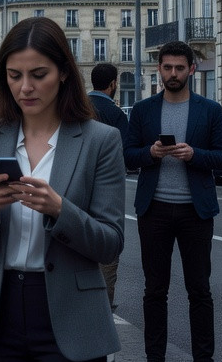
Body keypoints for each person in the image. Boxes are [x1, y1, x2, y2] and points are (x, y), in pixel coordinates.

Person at [0, 17, 124, 362]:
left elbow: (110, 244)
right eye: (14, 76)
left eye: (38, 74)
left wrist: (61, 210)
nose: (25, 87)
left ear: (63, 72)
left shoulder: (100, 140)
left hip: (71, 317)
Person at [124, 40, 222, 362]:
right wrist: (150, 154)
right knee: (155, 290)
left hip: (195, 213)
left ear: (191, 70)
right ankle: (154, 356)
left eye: (179, 68)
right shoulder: (143, 110)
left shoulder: (209, 110)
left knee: (200, 291)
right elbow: (127, 154)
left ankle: (204, 358)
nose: (173, 73)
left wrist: (195, 154)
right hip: (153, 210)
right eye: (167, 67)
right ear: (159, 69)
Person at [86, 62, 129, 310]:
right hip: (107, 193)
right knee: (107, 251)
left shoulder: (76, 108)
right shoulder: (115, 115)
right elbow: (126, 153)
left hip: (73, 189)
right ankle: (103, 307)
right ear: (113, 84)